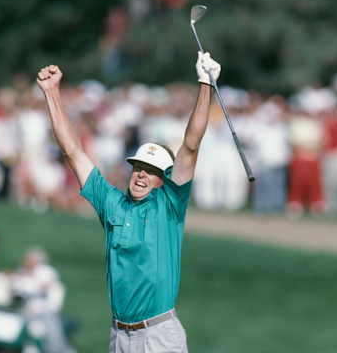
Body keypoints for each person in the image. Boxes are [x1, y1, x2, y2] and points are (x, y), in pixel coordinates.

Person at [35, 50, 220, 352]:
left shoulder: (169, 204)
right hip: (119, 336)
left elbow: (190, 146)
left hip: (158, 335)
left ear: (165, 178)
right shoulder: (112, 203)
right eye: (138, 168)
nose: (142, 176)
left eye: (152, 171)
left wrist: (204, 84)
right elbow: (72, 152)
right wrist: (52, 93)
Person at [11, 247, 70, 353]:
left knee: (52, 327)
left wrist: (29, 283)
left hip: (42, 309)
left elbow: (45, 285)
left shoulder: (45, 270)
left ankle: (57, 349)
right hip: (25, 309)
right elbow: (15, 291)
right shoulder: (20, 272)